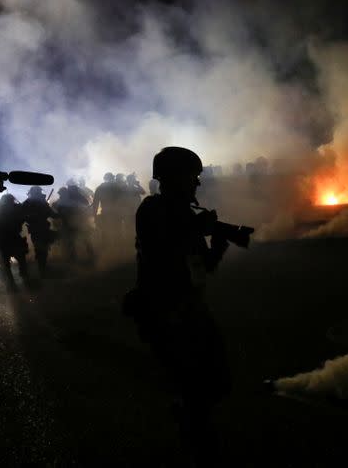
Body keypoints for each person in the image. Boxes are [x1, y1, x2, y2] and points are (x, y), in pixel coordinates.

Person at [124, 146, 232, 466]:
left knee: (215, 381)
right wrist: (198, 228)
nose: (197, 184)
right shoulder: (153, 209)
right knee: (196, 388)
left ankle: (190, 420)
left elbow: (202, 266)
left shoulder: (185, 214)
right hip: (165, 310)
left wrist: (218, 244)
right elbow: (162, 249)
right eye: (191, 177)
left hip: (188, 307)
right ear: (171, 178)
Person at [0, 193, 29, 286]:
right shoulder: (17, 209)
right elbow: (24, 218)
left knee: (6, 265)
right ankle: (24, 280)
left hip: (3, 239)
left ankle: (12, 285)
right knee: (21, 261)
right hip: (13, 238)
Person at [21, 186, 58, 277]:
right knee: (42, 249)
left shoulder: (27, 203)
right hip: (42, 229)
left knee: (40, 248)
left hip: (36, 229)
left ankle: (42, 268)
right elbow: (52, 214)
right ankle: (42, 269)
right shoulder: (42, 202)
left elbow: (21, 215)